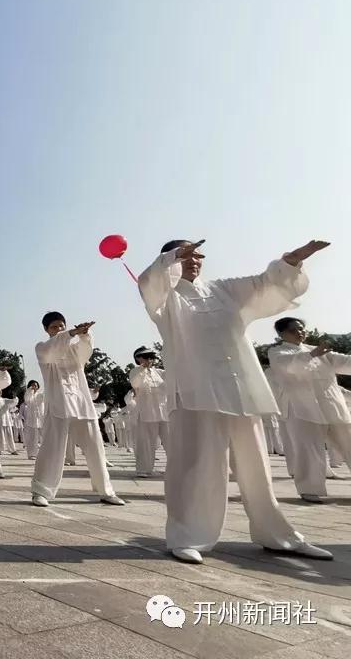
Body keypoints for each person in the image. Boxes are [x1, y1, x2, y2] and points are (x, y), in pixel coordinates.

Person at [138, 238, 332, 564]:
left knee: (256, 464)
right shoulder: (165, 299)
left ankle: (278, 535)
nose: (194, 259)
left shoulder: (223, 289)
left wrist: (291, 261)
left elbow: (262, 284)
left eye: (197, 254)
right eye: (184, 255)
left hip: (239, 385)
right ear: (168, 261)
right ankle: (188, 535)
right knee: (197, 463)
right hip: (194, 390)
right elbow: (149, 282)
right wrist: (172, 259)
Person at [31, 313, 124, 508]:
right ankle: (41, 491)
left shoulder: (73, 349)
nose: (59, 329)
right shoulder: (42, 348)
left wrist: (84, 335)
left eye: (61, 326)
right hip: (59, 403)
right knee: (52, 448)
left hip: (81, 401)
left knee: (95, 446)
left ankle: (106, 491)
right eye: (54, 327)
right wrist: (71, 332)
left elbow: (85, 351)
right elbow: (52, 350)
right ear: (46, 330)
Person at [268, 317, 351, 503]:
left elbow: (345, 362)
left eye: (301, 329)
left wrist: (315, 353)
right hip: (302, 408)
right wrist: (311, 355)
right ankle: (309, 489)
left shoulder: (320, 352)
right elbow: (288, 367)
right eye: (294, 330)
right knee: (309, 449)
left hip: (332, 405)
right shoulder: (277, 352)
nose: (300, 333)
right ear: (282, 334)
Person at [130, 346, 169, 477]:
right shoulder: (135, 371)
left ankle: (176, 467)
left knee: (172, 441)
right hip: (146, 412)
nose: (149, 359)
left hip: (164, 411)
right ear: (138, 358)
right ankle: (144, 469)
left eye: (151, 357)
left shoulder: (160, 372)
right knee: (146, 443)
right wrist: (142, 368)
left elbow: (173, 380)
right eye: (145, 357)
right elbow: (135, 384)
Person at [22, 380, 45, 460]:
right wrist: (29, 391)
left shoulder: (41, 394)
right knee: (32, 438)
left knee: (44, 436)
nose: (34, 387)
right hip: (32, 419)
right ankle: (32, 454)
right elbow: (26, 400)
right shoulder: (28, 395)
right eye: (32, 385)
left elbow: (47, 397)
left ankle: (46, 454)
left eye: (35, 385)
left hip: (41, 419)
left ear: (38, 386)